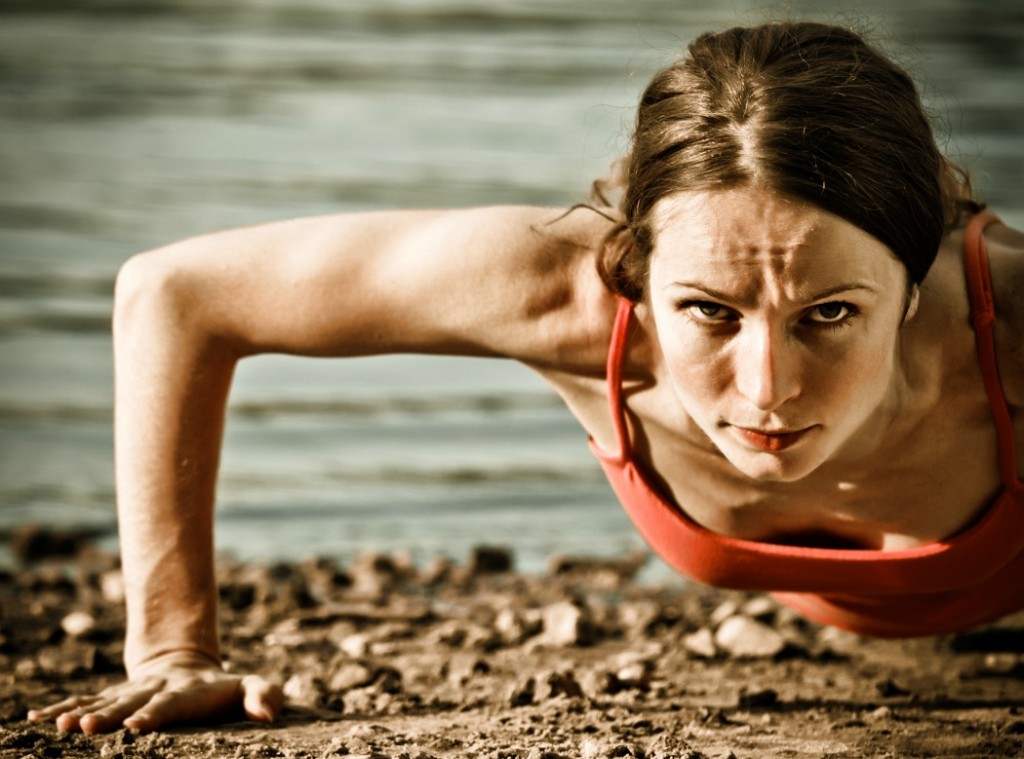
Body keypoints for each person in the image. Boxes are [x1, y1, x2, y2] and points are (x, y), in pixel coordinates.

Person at [28, 20, 1023, 734]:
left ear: (913, 280)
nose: (765, 386)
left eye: (830, 315)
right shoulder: (564, 298)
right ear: (636, 270)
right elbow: (175, 294)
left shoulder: (1005, 326)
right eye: (708, 312)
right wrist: (171, 652)